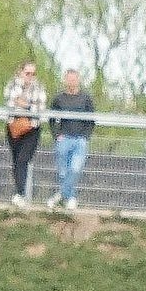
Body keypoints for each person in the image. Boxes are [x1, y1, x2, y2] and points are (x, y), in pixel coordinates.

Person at [47, 68, 95, 211]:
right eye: (69, 79)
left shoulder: (86, 98)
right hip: (64, 139)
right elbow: (52, 119)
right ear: (65, 80)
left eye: (74, 79)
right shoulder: (59, 98)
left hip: (80, 140)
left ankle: (60, 196)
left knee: (75, 169)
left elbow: (91, 120)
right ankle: (70, 198)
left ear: (78, 80)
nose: (72, 82)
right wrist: (57, 135)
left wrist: (85, 136)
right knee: (63, 171)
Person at [4, 61, 46, 208]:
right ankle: (18, 192)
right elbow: (9, 103)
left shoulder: (39, 87)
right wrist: (28, 106)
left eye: (33, 74)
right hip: (14, 127)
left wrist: (24, 105)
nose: (30, 76)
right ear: (21, 72)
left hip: (32, 128)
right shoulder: (12, 85)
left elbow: (40, 108)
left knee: (23, 159)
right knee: (16, 159)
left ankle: (20, 193)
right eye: (27, 73)